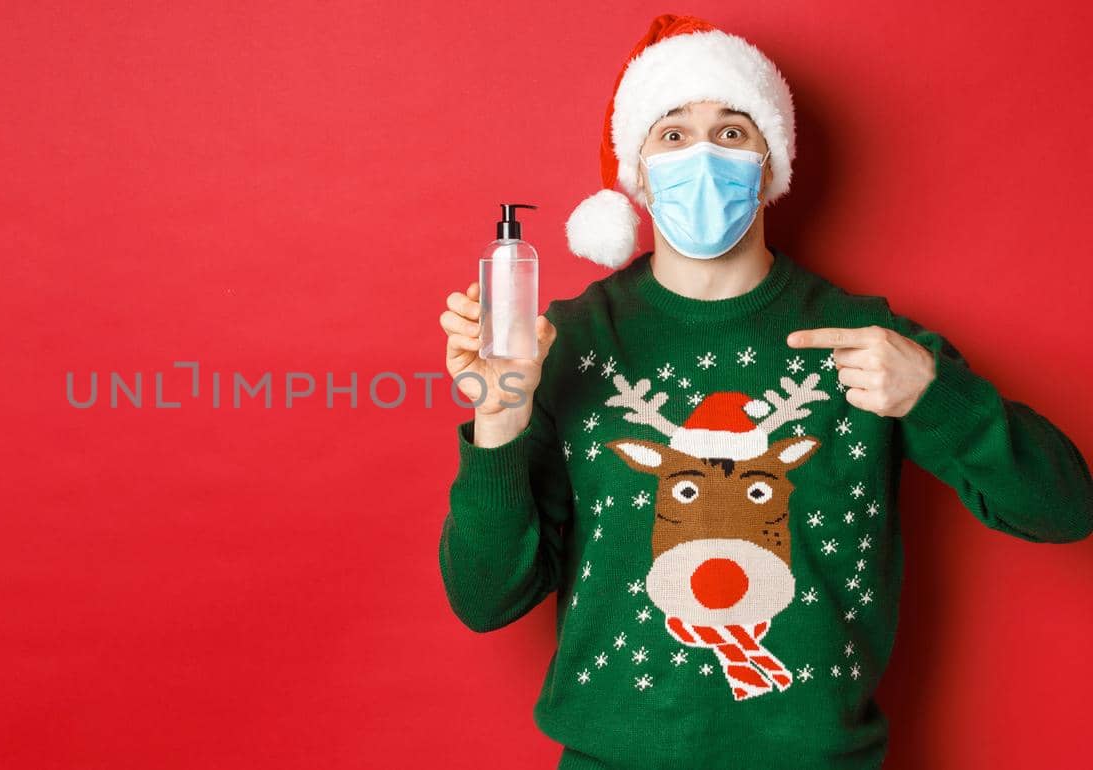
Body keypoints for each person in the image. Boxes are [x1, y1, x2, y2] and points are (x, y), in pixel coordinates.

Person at [434, 14, 1093, 770]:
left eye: (733, 132)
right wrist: (499, 420)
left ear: (771, 163)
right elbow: (486, 601)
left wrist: (934, 396)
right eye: (673, 134)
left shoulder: (864, 341)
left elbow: (1066, 509)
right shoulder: (566, 342)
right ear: (638, 172)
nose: (703, 156)